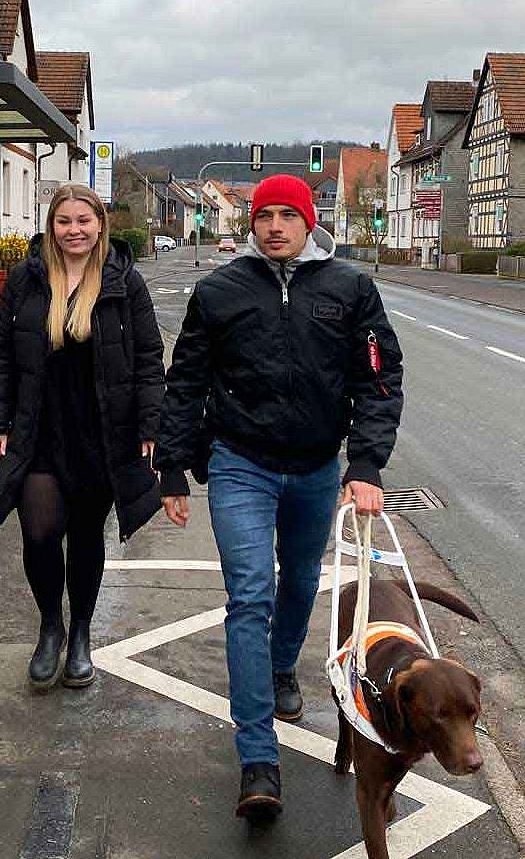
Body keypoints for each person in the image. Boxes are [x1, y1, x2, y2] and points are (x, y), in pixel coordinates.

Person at [153, 174, 403, 819]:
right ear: (252, 223)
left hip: (318, 468)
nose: (275, 226)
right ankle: (258, 758)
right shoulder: (218, 292)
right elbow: (185, 384)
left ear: (308, 222)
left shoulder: (350, 289)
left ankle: (283, 665)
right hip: (241, 463)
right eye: (266, 215)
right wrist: (174, 469)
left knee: (298, 583)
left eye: (289, 215)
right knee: (249, 594)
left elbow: (378, 381)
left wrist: (366, 466)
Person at [0, 184, 164, 690]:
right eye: (64, 221)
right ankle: (50, 627)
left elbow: (149, 358)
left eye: (84, 220)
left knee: (85, 538)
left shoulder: (125, 283)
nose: (74, 230)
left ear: (100, 223)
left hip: (102, 433)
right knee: (39, 532)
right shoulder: (27, 278)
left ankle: (80, 633)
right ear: (51, 226)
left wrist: (150, 427)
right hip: (39, 429)